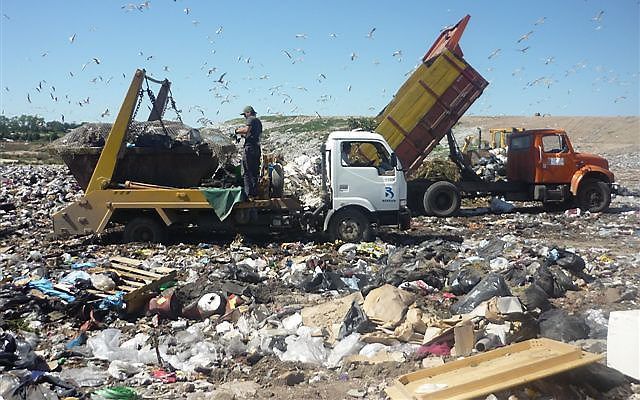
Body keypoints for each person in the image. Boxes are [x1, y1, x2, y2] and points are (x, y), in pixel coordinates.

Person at [235, 105, 262, 200]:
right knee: (254, 171)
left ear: (248, 113)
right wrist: (244, 137)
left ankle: (248, 195)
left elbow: (246, 130)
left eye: (244, 114)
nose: (244, 117)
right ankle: (255, 194)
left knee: (246, 171)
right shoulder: (258, 121)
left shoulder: (251, 119)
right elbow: (252, 134)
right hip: (257, 148)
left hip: (250, 148)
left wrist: (236, 131)